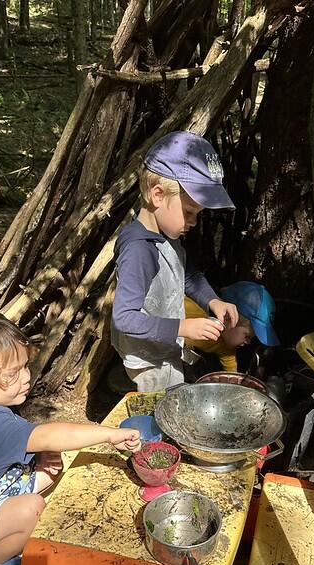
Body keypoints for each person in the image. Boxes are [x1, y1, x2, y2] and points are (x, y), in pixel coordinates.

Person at [0, 307, 141, 565]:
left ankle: (11, 530)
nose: (26, 377)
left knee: (51, 470)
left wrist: (41, 469)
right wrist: (109, 434)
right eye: (12, 374)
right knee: (31, 509)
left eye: (24, 366)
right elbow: (53, 435)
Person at [111, 131, 239, 392]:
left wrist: (213, 301)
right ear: (157, 195)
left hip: (165, 349)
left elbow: (187, 275)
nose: (193, 222)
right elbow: (124, 318)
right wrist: (183, 327)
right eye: (189, 212)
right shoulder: (140, 250)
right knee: (163, 414)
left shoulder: (167, 235)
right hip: (150, 361)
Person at [183, 281, 280, 372]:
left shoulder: (226, 345)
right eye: (247, 336)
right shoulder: (192, 309)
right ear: (229, 318)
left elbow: (231, 370)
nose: (248, 342)